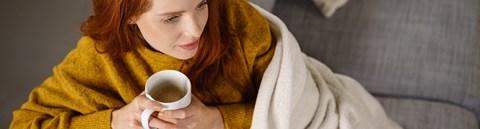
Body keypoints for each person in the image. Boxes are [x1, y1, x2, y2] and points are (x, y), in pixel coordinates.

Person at [10, 0, 275, 128]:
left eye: (201, 5)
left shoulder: (236, 19)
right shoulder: (99, 59)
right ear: (130, 16)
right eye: (172, 18)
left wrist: (219, 121)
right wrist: (115, 122)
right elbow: (24, 125)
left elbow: (294, 104)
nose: (196, 30)